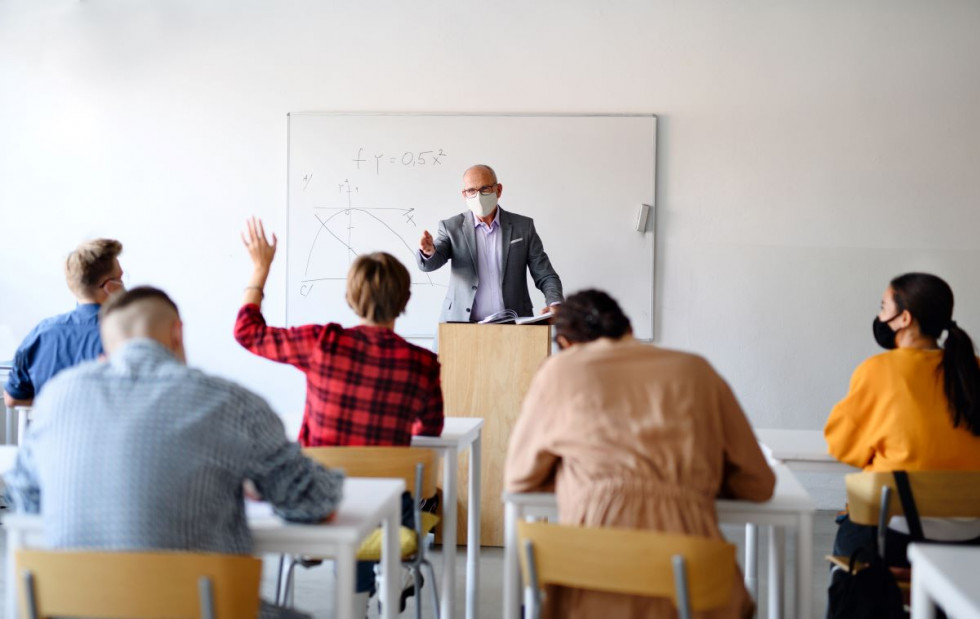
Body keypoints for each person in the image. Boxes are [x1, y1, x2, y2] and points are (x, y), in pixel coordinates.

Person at [3, 286, 343, 619]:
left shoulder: (56, 399)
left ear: (105, 346)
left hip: (78, 608)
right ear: (177, 333)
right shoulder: (232, 403)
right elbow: (311, 503)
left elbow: (25, 498)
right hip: (202, 608)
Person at [504, 289, 775, 619]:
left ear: (565, 346)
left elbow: (518, 478)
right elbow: (759, 485)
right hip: (692, 580)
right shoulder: (697, 370)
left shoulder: (559, 371)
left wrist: (577, 480)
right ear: (629, 330)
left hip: (592, 579)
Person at [234, 217, 444, 611]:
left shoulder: (322, 343)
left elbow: (248, 332)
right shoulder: (421, 363)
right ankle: (382, 577)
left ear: (350, 299)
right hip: (385, 504)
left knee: (348, 497)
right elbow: (429, 428)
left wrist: (259, 271)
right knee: (400, 497)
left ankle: (357, 596)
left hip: (320, 496)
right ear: (405, 300)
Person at [825, 272, 980, 568]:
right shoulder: (974, 369)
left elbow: (842, 448)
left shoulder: (877, 370)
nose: (880, 315)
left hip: (899, 534)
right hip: (973, 536)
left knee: (848, 530)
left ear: (904, 318)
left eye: (883, 307)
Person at [416, 164, 563, 322]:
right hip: (461, 326)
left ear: (498, 190)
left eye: (485, 188)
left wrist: (555, 302)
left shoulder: (523, 227)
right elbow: (432, 262)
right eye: (471, 190)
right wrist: (429, 252)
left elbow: (545, 273)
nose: (478, 196)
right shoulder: (451, 227)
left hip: (513, 324)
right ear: (464, 194)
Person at [4, 238, 124, 407]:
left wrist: (57, 405)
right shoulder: (124, 336)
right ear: (110, 287)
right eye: (121, 277)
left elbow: (12, 398)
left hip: (47, 433)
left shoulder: (41, 332)